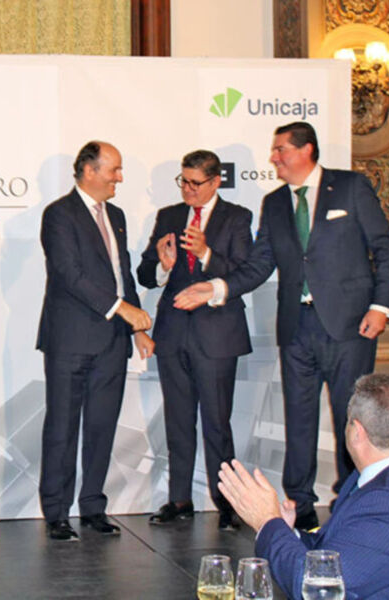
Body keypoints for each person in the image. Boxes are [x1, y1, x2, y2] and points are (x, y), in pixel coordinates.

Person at [174, 122, 389, 530]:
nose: (273, 157)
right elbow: (259, 266)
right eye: (273, 150)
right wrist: (216, 286)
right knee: (298, 417)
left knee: (354, 416)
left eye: (280, 150)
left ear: (306, 150)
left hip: (350, 325)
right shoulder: (275, 203)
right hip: (297, 326)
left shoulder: (349, 187)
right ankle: (302, 503)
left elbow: (384, 246)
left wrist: (381, 306)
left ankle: (352, 499)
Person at [218, 374, 389, 599]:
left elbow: (317, 589)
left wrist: (267, 522)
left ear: (357, 432)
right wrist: (285, 531)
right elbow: (332, 553)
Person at [37, 141, 155, 541]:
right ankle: (55, 512)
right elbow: (70, 276)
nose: (119, 177)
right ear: (89, 170)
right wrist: (124, 311)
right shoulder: (59, 215)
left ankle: (92, 508)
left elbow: (121, 275)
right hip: (70, 339)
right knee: (62, 427)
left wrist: (138, 326)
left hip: (111, 340)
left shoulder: (117, 215)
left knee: (102, 427)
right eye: (114, 170)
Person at [137, 150, 252, 530]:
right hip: (173, 334)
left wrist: (205, 254)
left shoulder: (237, 217)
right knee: (177, 420)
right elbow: (143, 271)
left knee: (217, 423)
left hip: (217, 336)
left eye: (195, 183)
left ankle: (227, 504)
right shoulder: (169, 216)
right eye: (183, 181)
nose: (188, 189)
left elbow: (242, 273)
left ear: (216, 181)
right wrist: (162, 268)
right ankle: (179, 499)